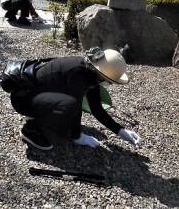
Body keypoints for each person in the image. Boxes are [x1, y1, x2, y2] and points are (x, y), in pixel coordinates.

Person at [10, 48, 140, 151]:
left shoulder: (91, 73)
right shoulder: (79, 74)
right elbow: (75, 105)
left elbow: (96, 108)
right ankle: (30, 129)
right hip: (23, 100)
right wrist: (77, 137)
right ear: (103, 75)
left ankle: (39, 115)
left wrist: (121, 131)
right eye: (109, 81)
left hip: (35, 94)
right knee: (70, 105)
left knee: (69, 106)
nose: (110, 84)